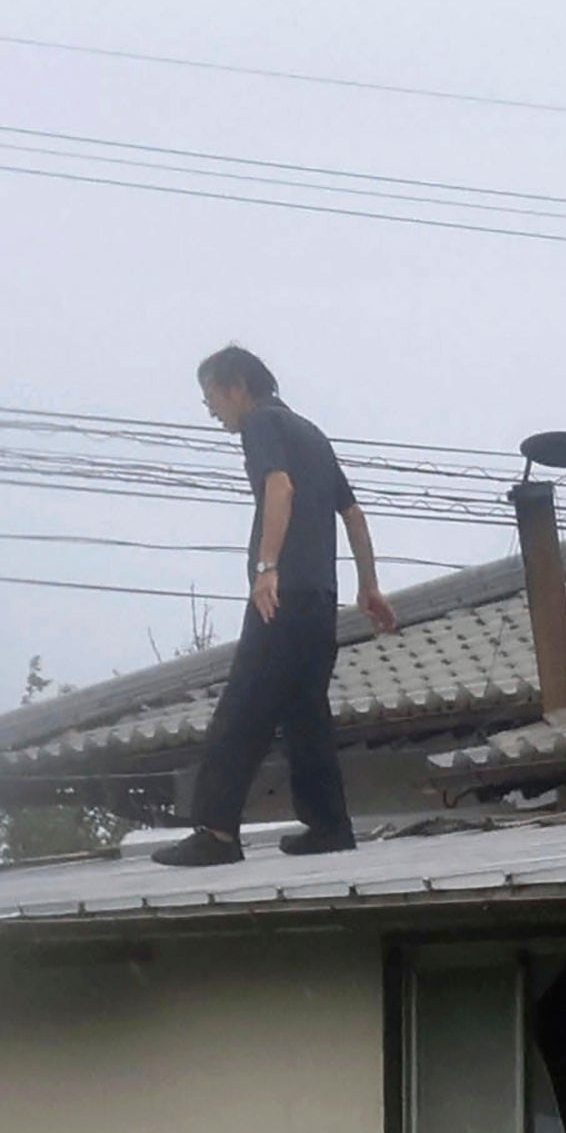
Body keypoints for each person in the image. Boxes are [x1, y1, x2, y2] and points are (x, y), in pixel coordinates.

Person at [165, 346, 396, 867]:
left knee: (243, 706)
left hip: (285, 594)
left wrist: (267, 569)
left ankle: (217, 834)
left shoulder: (262, 424)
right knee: (304, 714)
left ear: (237, 386)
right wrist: (369, 585)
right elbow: (353, 513)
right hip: (321, 598)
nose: (212, 411)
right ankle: (330, 826)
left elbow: (280, 486)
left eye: (211, 399)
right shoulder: (311, 432)